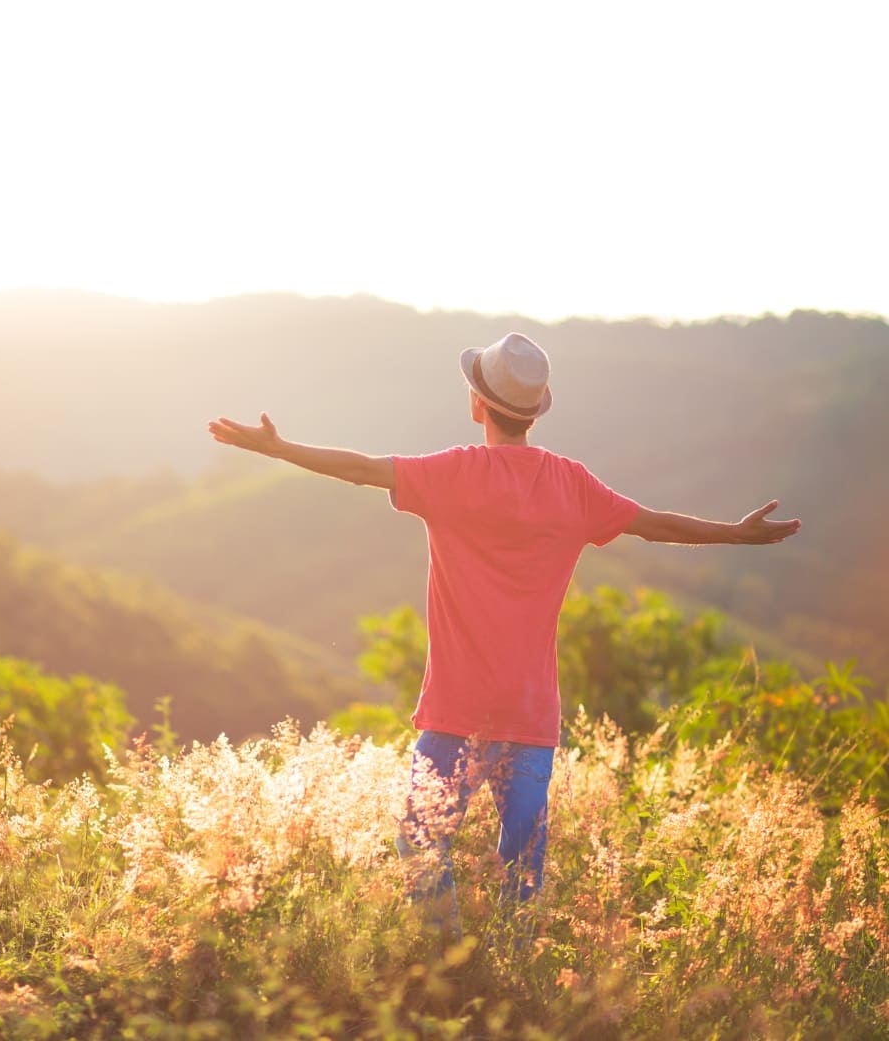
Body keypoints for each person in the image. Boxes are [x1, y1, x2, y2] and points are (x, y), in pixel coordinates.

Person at [207, 332, 801, 936]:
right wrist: (736, 532)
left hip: (455, 710)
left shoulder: (455, 473)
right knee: (522, 872)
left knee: (420, 842)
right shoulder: (573, 485)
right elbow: (656, 526)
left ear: (477, 404)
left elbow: (361, 469)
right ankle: (513, 985)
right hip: (530, 713)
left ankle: (448, 962)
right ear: (535, 411)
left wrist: (279, 449)